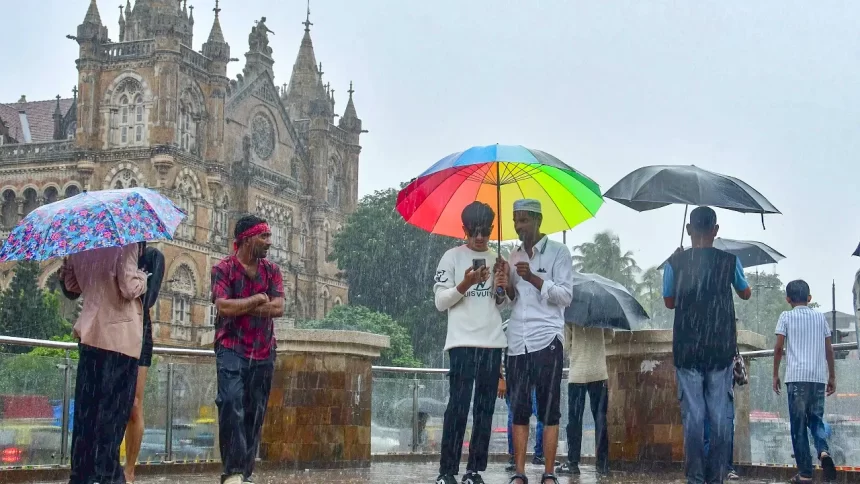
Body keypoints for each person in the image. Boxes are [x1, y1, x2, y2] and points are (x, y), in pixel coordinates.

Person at [663, 206, 751, 484]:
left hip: (687, 349)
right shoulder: (729, 261)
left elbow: (669, 302)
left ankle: (696, 478)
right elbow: (745, 293)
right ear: (715, 230)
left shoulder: (675, 262)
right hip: (720, 349)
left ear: (689, 229)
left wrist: (680, 265)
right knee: (720, 416)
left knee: (694, 418)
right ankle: (717, 477)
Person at [433, 201, 508, 484]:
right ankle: (447, 471)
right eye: (474, 231)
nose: (479, 237)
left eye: (485, 231)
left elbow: (501, 304)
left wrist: (501, 286)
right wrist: (466, 283)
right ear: (464, 229)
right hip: (462, 343)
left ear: (491, 229)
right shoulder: (452, 257)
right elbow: (441, 302)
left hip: (491, 343)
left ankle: (474, 470)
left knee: (484, 410)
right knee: (458, 406)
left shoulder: (498, 260)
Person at [61, 243, 148, 484]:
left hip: (90, 337)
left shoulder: (81, 243)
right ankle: (107, 475)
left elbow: (71, 285)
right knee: (112, 416)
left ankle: (81, 475)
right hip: (119, 341)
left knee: (86, 415)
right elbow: (129, 287)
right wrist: (143, 277)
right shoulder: (125, 243)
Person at [502, 199, 573, 484]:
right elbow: (508, 301)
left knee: (549, 410)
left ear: (538, 220)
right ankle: (519, 473)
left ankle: (548, 472)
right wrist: (504, 283)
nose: (518, 226)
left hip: (547, 340)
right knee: (519, 410)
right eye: (515, 220)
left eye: (523, 220)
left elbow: (565, 296)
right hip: (517, 341)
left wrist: (533, 278)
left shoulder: (559, 253)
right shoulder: (512, 256)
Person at [212, 215, 285, 484]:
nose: (269, 242)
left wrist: (241, 305)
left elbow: (278, 308)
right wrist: (257, 299)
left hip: (263, 350)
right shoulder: (223, 269)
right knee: (230, 401)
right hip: (231, 347)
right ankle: (233, 472)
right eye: (263, 236)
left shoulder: (272, 271)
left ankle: (245, 473)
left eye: (269, 236)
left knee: (254, 413)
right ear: (246, 240)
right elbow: (223, 306)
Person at [772, 280, 837, 483]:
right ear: (809, 298)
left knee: (798, 426)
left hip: (796, 379)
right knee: (816, 420)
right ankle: (823, 451)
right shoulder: (820, 317)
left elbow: (778, 347)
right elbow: (829, 349)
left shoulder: (786, 316)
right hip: (817, 379)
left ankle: (806, 473)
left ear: (788, 299)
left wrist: (775, 374)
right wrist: (832, 376)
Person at [124, 243, 165, 484]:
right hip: (113, 331)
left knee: (135, 404)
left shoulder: (152, 257)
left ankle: (129, 471)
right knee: (113, 403)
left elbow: (148, 298)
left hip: (140, 330)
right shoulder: (112, 255)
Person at [556, 324, 610, 476]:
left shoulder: (571, 315)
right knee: (600, 419)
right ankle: (602, 464)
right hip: (599, 373)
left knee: (575, 420)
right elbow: (609, 337)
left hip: (578, 374)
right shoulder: (602, 314)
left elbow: (566, 344)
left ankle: (573, 463)